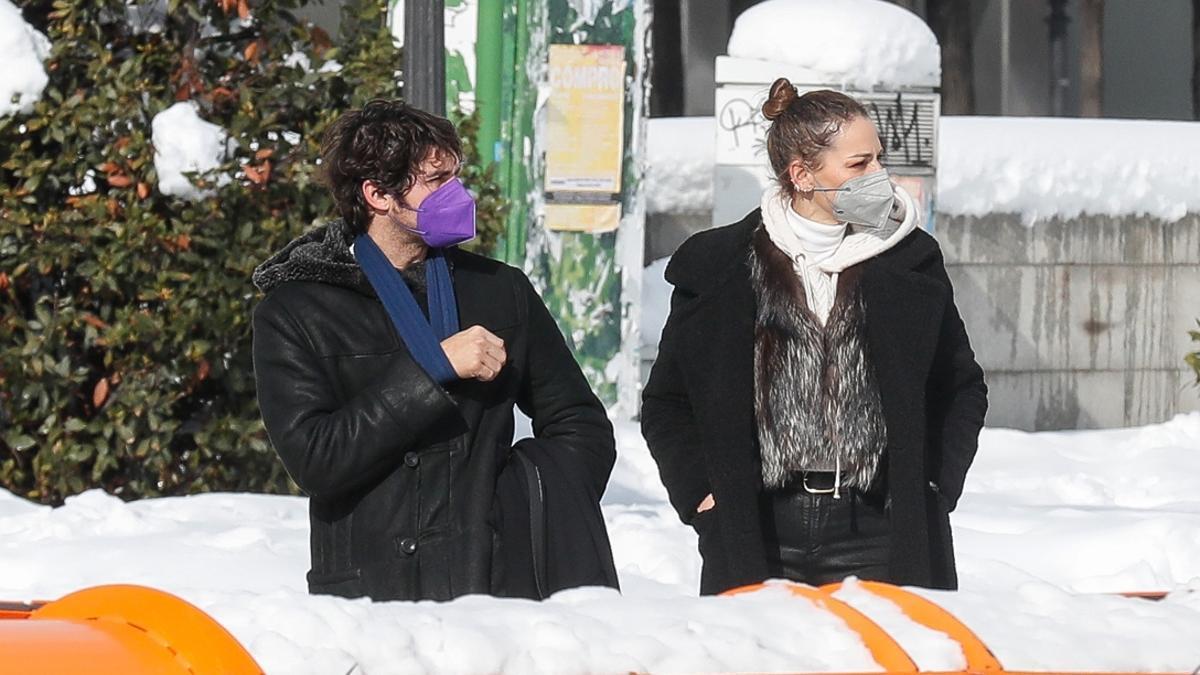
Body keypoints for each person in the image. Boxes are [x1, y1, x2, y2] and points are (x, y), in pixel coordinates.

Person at [252, 99, 618, 602]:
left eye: (454, 176)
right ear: (378, 194)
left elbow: (580, 421)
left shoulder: (499, 290)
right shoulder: (297, 310)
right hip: (369, 591)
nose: (457, 194)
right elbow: (315, 459)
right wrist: (433, 369)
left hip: (490, 582)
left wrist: (522, 506)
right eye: (436, 180)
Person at [641, 79, 988, 595]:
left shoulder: (909, 259)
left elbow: (960, 387)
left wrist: (934, 485)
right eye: (858, 165)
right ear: (802, 176)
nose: (878, 176)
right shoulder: (721, 265)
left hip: (879, 528)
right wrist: (702, 496)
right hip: (757, 527)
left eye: (877, 159)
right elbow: (668, 402)